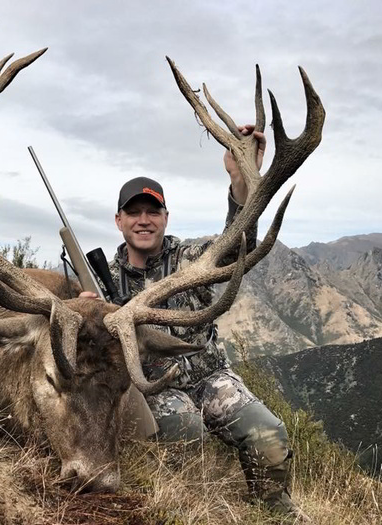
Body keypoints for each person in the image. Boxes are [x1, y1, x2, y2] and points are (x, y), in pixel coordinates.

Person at [81, 126, 304, 518]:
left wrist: (240, 179)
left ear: (166, 217)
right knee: (188, 435)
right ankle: (193, 509)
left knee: (270, 436)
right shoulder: (103, 282)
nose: (144, 220)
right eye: (134, 212)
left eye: (153, 211)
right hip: (152, 387)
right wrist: (87, 313)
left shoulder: (193, 258)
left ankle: (271, 512)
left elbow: (238, 244)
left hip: (210, 378)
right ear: (119, 220)